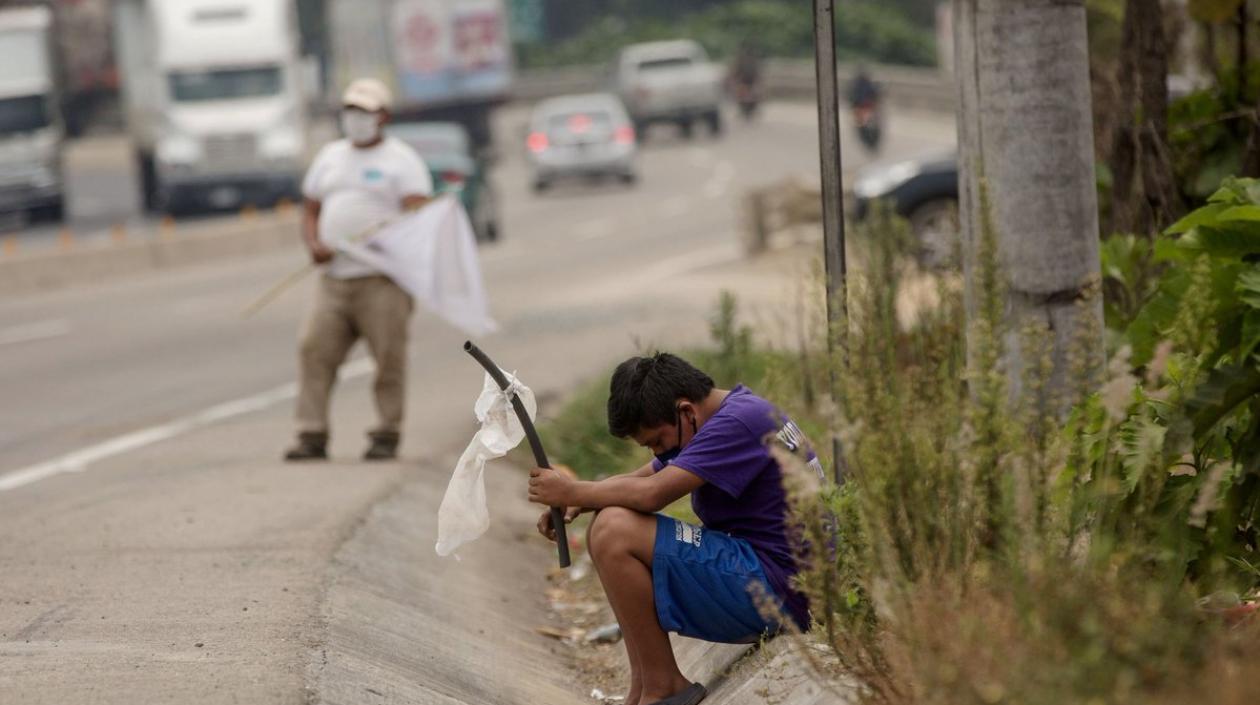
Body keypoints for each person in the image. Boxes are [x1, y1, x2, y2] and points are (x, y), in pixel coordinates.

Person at [528, 353, 820, 705]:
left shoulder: (737, 424)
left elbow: (652, 493)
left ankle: (664, 687)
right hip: (775, 576)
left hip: (783, 590)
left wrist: (573, 491)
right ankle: (644, 688)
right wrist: (579, 500)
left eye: (656, 441)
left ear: (685, 411)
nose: (657, 452)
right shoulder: (728, 415)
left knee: (614, 531)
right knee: (604, 522)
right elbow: (640, 478)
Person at [284, 78, 433, 462]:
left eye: (364, 111)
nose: (356, 118)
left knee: (388, 359)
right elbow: (311, 208)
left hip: (382, 282)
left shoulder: (401, 161)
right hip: (334, 279)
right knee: (313, 349)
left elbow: (419, 214)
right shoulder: (330, 157)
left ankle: (386, 432)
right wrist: (314, 244)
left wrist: (387, 240)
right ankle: (311, 433)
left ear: (383, 116)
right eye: (350, 110)